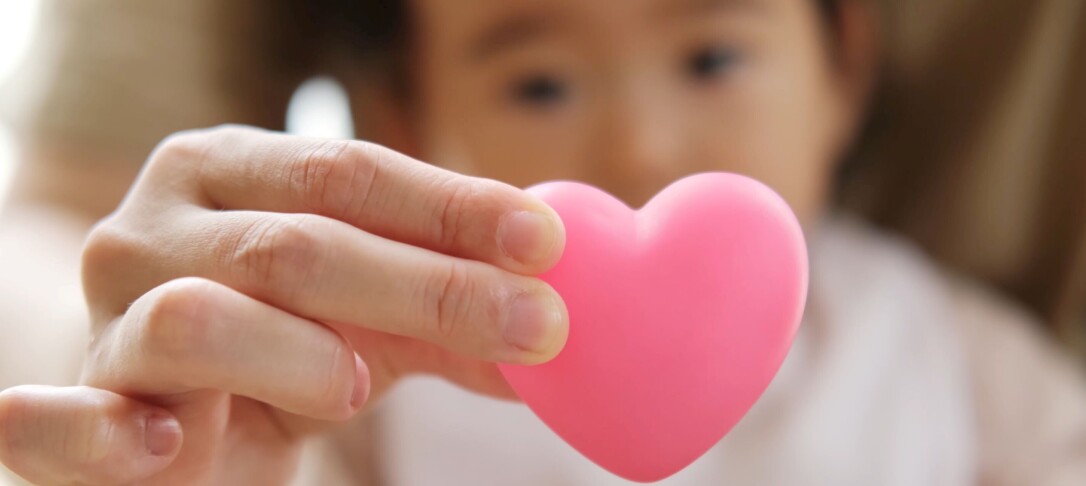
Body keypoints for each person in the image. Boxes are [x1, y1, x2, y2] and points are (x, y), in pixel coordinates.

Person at [1, 0, 1084, 484]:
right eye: (539, 82)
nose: (639, 140)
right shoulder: (359, 388)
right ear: (407, 126)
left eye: (711, 58)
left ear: (843, 66)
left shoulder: (946, 356)